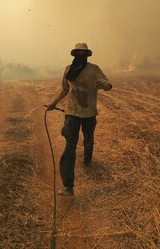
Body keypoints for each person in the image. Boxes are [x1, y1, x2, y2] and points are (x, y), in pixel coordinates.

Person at [47, 42, 112, 196]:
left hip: (89, 113)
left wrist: (103, 84)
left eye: (83, 53)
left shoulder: (94, 69)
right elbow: (65, 88)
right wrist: (53, 103)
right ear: (74, 54)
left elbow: (109, 85)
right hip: (71, 113)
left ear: (87, 55)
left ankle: (87, 160)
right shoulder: (68, 70)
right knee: (70, 147)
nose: (80, 55)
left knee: (88, 140)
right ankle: (68, 185)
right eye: (78, 53)